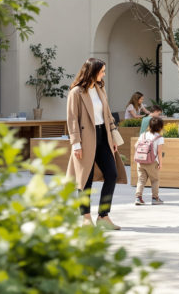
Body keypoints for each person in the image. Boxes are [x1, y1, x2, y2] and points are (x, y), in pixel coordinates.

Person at [66, 58, 127, 230]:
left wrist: (113, 137)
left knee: (112, 174)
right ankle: (86, 217)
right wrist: (76, 143)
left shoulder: (100, 89)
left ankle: (103, 215)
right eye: (102, 71)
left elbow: (107, 114)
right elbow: (72, 120)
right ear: (92, 72)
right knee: (85, 180)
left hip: (103, 136)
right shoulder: (76, 92)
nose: (104, 74)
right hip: (85, 139)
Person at [135, 116, 165, 206]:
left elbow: (136, 146)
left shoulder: (143, 135)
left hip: (141, 161)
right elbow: (159, 152)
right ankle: (155, 198)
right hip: (152, 162)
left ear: (150, 126)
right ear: (160, 127)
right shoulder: (159, 138)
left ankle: (138, 198)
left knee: (141, 180)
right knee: (155, 180)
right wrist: (161, 163)